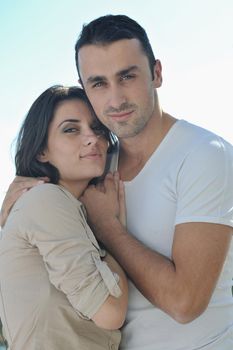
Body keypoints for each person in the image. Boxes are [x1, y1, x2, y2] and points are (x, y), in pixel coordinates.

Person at [1, 14, 233, 350]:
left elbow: (185, 304)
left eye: (127, 76)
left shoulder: (204, 155)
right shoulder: (95, 167)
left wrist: (108, 227)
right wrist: (13, 204)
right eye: (98, 83)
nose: (115, 99)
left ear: (156, 73)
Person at [0, 85, 128, 350]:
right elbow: (110, 311)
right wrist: (109, 227)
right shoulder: (45, 199)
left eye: (98, 128)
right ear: (41, 152)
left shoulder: (69, 210)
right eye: (71, 129)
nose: (92, 138)